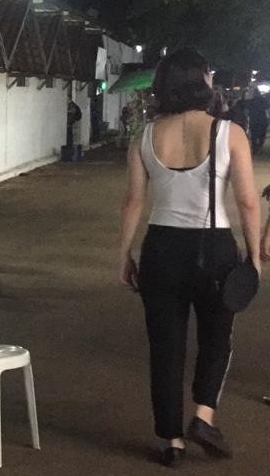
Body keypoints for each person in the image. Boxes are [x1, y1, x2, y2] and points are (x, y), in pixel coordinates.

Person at [117, 47, 261, 467]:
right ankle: (203, 415)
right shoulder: (229, 132)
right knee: (218, 336)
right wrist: (253, 256)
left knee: (165, 347)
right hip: (213, 248)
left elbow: (133, 202)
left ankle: (172, 441)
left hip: (161, 249)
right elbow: (248, 201)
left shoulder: (144, 136)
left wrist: (124, 253)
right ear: (200, 80)